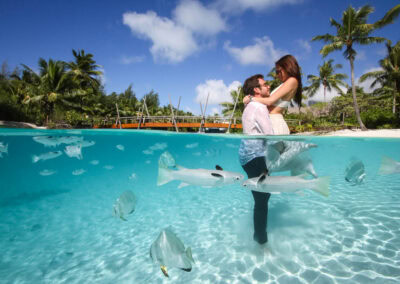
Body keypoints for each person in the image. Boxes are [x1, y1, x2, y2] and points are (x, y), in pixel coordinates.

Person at [238, 74, 274, 244]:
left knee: (262, 197)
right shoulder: (259, 107)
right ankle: (261, 240)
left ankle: (259, 235)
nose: (268, 87)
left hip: (247, 157)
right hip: (255, 157)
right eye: (265, 85)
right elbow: (270, 134)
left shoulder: (250, 106)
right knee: (262, 199)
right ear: (256, 90)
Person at [243, 54, 302, 135]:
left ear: (287, 68)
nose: (277, 75)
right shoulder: (286, 83)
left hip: (276, 122)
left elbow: (270, 101)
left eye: (278, 71)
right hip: (271, 121)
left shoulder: (292, 80)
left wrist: (251, 99)